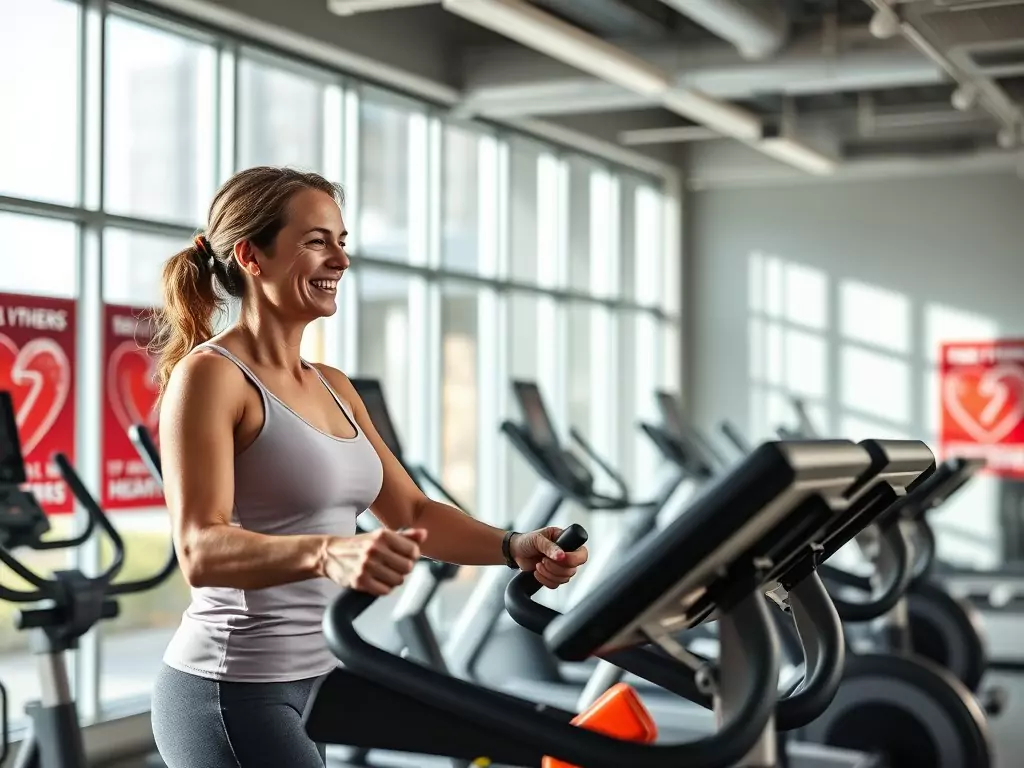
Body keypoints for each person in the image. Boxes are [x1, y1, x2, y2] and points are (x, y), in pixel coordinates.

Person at [147, 166, 589, 767]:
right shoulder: (213, 376)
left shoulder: (332, 385)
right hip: (232, 687)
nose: (341, 261)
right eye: (316, 241)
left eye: (342, 241)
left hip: (327, 672)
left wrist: (515, 547)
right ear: (251, 255)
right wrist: (327, 552)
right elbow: (201, 548)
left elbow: (410, 512)